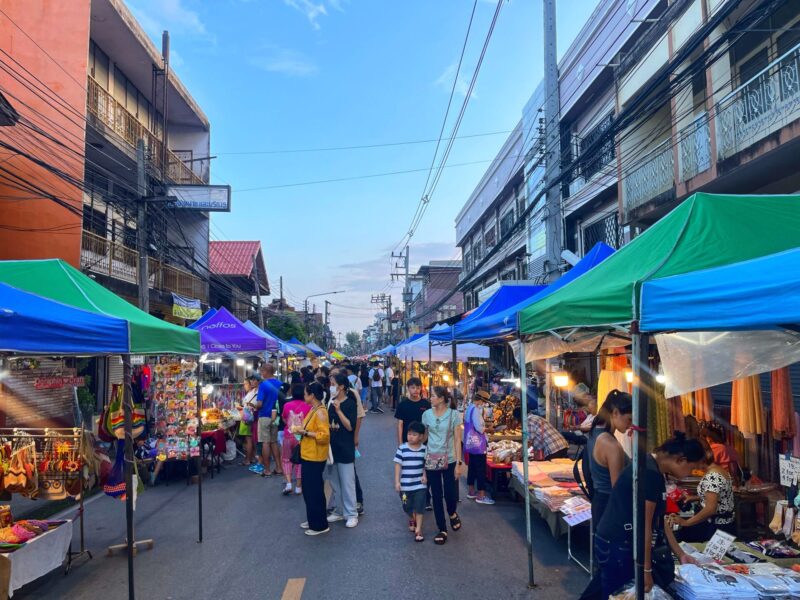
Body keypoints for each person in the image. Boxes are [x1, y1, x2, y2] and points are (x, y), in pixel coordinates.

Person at [592, 433, 706, 597]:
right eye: (691, 468)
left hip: (615, 540)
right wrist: (645, 570)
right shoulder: (650, 475)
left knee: (609, 590)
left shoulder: (650, 465)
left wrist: (680, 553)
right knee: (615, 593)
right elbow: (644, 526)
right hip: (618, 542)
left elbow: (658, 520)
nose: (689, 473)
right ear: (680, 459)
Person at [422, 386, 463, 545]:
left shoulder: (453, 415)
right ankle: (442, 529)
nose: (430, 398)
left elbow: (458, 441)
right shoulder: (426, 415)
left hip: (450, 458)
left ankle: (452, 512)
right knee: (436, 495)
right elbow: (425, 436)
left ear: (440, 398)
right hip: (431, 458)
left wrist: (459, 463)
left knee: (450, 493)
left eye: (432, 396)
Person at [586, 389, 632, 526]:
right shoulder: (611, 446)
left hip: (600, 502)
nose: (630, 425)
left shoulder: (596, 432)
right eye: (629, 419)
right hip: (610, 507)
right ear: (615, 413)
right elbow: (618, 489)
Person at [670, 447, 736, 542]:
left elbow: (710, 509)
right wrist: (693, 497)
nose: (691, 466)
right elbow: (718, 496)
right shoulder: (718, 470)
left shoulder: (712, 476)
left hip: (716, 527)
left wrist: (686, 522)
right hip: (722, 524)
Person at [326, 372, 359, 528]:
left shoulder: (350, 404)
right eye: (330, 384)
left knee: (347, 483)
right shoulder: (330, 402)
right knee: (335, 483)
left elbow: (350, 426)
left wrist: (339, 411)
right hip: (331, 449)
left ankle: (352, 513)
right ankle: (339, 511)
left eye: (333, 384)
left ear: (342, 387)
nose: (331, 387)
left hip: (345, 447)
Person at [298, 382, 330, 536]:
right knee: (310, 490)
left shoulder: (320, 412)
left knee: (314, 491)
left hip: (315, 457)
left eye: (306, 393)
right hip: (308, 454)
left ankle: (319, 524)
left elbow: (324, 436)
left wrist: (305, 433)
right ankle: (313, 519)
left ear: (312, 395)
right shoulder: (314, 409)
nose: (304, 396)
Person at [394, 421, 427, 542]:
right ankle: (411, 517)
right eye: (409, 434)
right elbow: (398, 465)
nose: (410, 436)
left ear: (421, 437)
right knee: (406, 506)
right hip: (405, 486)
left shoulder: (425, 450)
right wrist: (397, 482)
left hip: (420, 485)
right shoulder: (402, 448)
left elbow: (426, 465)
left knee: (419, 507)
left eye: (414, 434)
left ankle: (418, 530)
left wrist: (425, 475)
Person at [281, 383, 311, 495]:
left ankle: (288, 484)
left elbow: (284, 419)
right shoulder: (308, 406)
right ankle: (298, 486)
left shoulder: (287, 405)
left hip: (288, 435)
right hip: (302, 437)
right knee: (300, 461)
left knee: (286, 460)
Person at [465, 390, 494, 505]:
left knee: (472, 467)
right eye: (484, 402)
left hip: (471, 443)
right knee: (480, 470)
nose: (484, 404)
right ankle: (481, 495)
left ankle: (471, 491)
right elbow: (479, 428)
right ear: (481, 400)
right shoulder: (476, 410)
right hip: (478, 444)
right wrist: (490, 429)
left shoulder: (469, 408)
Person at [255, 364, 284, 476]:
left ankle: (267, 469)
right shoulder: (280, 383)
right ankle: (279, 467)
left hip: (264, 416)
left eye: (262, 371)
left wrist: (255, 406)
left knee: (265, 442)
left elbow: (259, 403)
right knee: (274, 442)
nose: (261, 373)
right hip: (275, 417)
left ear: (267, 371)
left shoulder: (263, 385)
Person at [395, 377, 431, 444]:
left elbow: (429, 425)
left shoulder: (426, 404)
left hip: (423, 442)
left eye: (418, 388)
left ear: (421, 389)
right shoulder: (402, 405)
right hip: (407, 440)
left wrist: (423, 441)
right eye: (413, 388)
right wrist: (400, 443)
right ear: (408, 388)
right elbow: (400, 425)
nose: (416, 390)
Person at [238, 374, 260, 467]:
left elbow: (250, 406)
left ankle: (248, 459)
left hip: (248, 418)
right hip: (249, 417)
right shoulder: (252, 392)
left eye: (246, 384)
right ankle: (252, 458)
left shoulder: (254, 393)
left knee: (249, 440)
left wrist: (241, 407)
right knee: (251, 440)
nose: (245, 386)